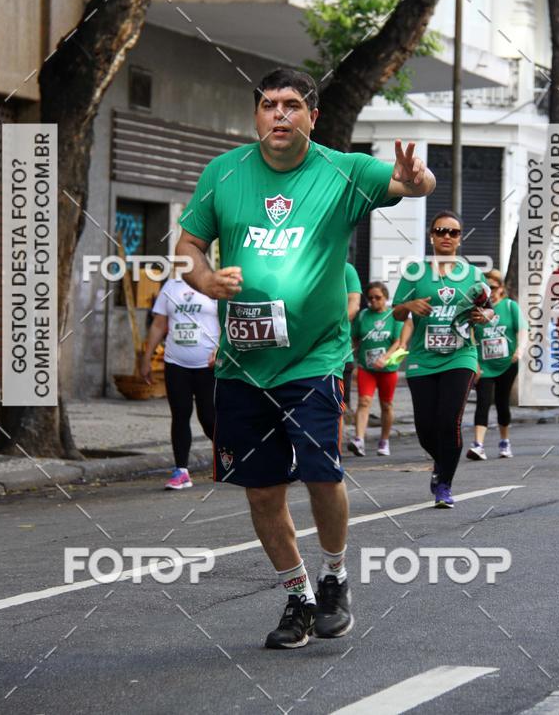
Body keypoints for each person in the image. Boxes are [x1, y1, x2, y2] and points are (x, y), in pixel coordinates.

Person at [175, 67, 435, 649]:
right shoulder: (225, 172)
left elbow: (411, 184)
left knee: (322, 473)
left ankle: (336, 576)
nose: (280, 114)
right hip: (241, 365)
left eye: (293, 104)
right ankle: (298, 597)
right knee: (263, 492)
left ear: (312, 116)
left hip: (315, 358)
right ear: (257, 115)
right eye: (269, 105)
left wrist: (417, 177)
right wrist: (207, 280)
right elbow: (187, 245)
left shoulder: (343, 171)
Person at [392, 211, 493, 509]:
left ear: (460, 238)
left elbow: (489, 312)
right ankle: (442, 460)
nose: (447, 236)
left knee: (449, 421)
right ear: (431, 236)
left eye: (453, 232)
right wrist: (409, 304)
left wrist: (482, 315)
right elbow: (396, 313)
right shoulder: (415, 272)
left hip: (460, 356)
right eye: (441, 231)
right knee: (425, 427)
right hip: (422, 359)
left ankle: (444, 483)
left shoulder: (474, 275)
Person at [140, 274, 219, 489]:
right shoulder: (171, 286)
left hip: (208, 365)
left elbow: (226, 320)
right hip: (176, 363)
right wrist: (146, 357)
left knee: (209, 418)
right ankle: (181, 471)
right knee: (180, 414)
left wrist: (222, 349)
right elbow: (159, 324)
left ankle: (229, 457)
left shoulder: (212, 283)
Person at [466, 269, 527, 461]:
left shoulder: (510, 307)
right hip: (484, 365)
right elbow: (470, 333)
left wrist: (520, 349)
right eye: (484, 288)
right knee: (483, 402)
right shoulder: (476, 310)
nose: (488, 291)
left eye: (492, 287)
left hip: (507, 363)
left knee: (502, 402)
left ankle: (504, 441)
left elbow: (523, 330)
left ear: (501, 288)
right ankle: (478, 444)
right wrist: (473, 360)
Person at [348, 281, 404, 457]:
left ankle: (384, 440)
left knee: (386, 405)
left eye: (378, 297)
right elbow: (355, 338)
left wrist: (385, 357)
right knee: (363, 402)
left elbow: (398, 341)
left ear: (386, 298)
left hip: (388, 369)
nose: (373, 301)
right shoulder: (363, 316)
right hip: (367, 368)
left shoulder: (394, 316)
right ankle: (359, 440)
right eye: (370, 298)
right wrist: (350, 354)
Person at [343, 262, 362, 417]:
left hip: (339, 357)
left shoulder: (347, 269)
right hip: (302, 357)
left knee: (338, 409)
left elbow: (353, 306)